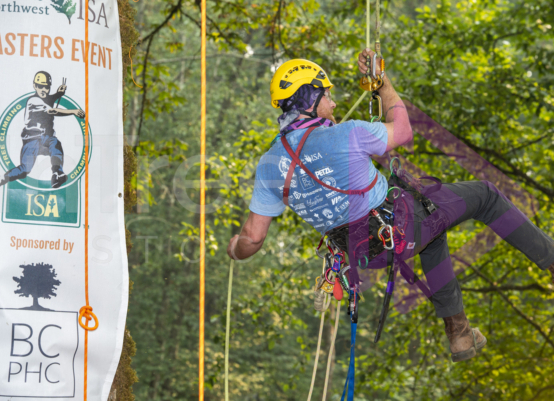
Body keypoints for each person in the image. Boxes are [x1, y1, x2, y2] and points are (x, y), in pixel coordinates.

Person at [226, 50, 554, 362]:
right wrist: (383, 84)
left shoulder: (270, 164)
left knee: (434, 233)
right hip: (400, 228)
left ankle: (460, 333)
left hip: (365, 256)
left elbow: (252, 239)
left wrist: (234, 249)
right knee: (486, 195)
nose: (333, 101)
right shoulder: (348, 133)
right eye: (326, 94)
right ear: (310, 98)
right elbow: (403, 131)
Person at [0, 71, 85, 191]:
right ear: (34, 86)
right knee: (25, 170)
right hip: (32, 139)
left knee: (55, 144)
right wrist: (73, 111)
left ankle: (57, 174)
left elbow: (50, 98)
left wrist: (59, 93)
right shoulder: (33, 101)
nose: (43, 89)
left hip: (46, 138)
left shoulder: (45, 97)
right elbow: (52, 111)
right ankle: (3, 178)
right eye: (40, 86)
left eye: (46, 86)